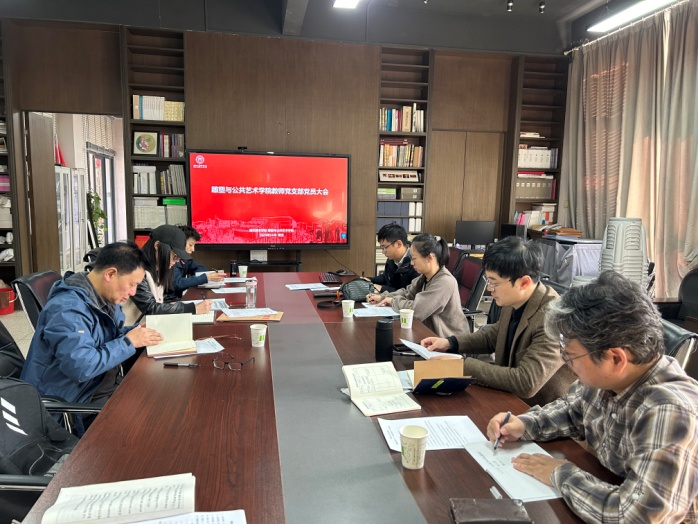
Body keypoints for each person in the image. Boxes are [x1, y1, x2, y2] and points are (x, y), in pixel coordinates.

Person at [487, 271, 698, 523]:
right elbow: (573, 410)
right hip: (612, 485)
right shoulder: (610, 378)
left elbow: (635, 517)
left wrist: (560, 473)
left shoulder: (668, 411)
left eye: (570, 356)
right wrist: (524, 424)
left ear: (616, 358)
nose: (566, 363)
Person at [421, 236, 574, 406]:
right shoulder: (515, 298)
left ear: (524, 282)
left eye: (494, 282)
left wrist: (460, 366)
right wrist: (450, 343)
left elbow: (526, 382)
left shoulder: (553, 319)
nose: (489, 288)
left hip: (538, 410)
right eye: (488, 280)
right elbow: (492, 336)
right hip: (506, 397)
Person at [21, 241, 164, 406]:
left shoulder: (102, 296)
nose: (133, 292)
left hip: (100, 383)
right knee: (157, 408)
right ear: (110, 274)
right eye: (132, 284)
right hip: (77, 400)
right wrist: (129, 341)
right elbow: (81, 367)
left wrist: (137, 332)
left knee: (160, 390)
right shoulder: (67, 309)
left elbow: (103, 336)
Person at [366, 233, 466, 338]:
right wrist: (383, 297)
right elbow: (407, 292)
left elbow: (416, 310)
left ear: (430, 257)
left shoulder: (444, 282)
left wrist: (393, 301)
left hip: (448, 339)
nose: (411, 263)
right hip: (428, 333)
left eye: (414, 258)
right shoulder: (425, 276)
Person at [122, 225, 211, 325]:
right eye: (175, 256)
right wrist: (192, 308)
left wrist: (170, 305)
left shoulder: (158, 269)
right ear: (157, 246)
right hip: (131, 330)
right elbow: (151, 308)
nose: (177, 261)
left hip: (148, 326)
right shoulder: (137, 270)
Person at [166, 225, 224, 300]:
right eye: (190, 245)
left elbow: (200, 267)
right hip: (167, 301)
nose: (193, 249)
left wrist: (195, 279)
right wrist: (204, 278)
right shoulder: (170, 259)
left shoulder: (185, 259)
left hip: (177, 299)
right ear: (180, 242)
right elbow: (177, 283)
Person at [364, 223, 419, 292]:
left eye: (385, 247)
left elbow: (410, 294)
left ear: (398, 244)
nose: (383, 252)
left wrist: (382, 288)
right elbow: (386, 278)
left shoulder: (416, 263)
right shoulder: (391, 259)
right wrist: (370, 280)